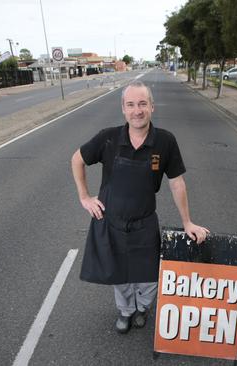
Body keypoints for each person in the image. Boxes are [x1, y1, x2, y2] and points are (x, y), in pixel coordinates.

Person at [71, 80, 209, 334]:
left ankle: (143, 307)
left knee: (148, 276)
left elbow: (177, 183)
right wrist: (85, 197)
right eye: (131, 105)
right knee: (120, 276)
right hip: (111, 221)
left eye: (142, 104)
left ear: (152, 107)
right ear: (123, 108)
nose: (137, 110)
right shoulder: (108, 138)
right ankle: (125, 312)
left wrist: (187, 222)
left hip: (145, 222)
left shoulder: (165, 141)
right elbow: (77, 159)